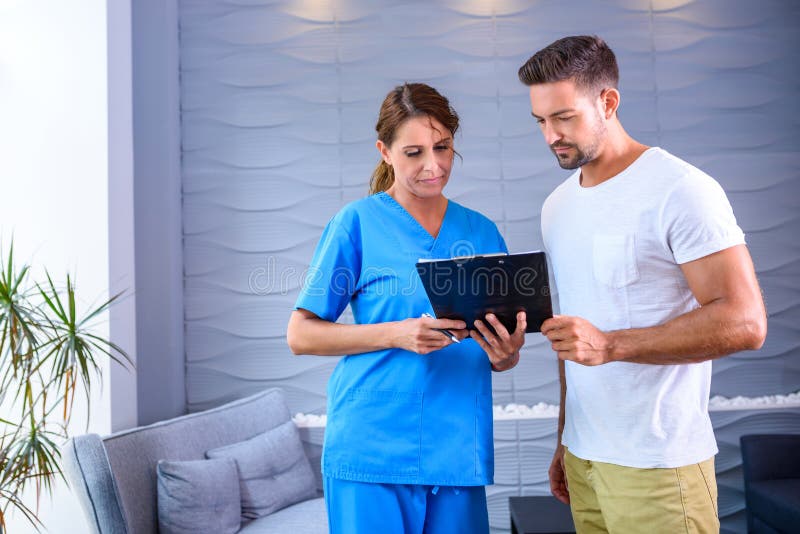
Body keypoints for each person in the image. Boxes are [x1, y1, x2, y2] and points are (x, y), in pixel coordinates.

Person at [517, 36, 767, 533]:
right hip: (585, 458)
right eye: (540, 121)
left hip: (659, 464)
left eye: (564, 117)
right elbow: (573, 337)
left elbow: (745, 320)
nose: (550, 135)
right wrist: (566, 439)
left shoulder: (680, 190)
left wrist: (611, 345)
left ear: (608, 102)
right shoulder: (557, 207)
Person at [286, 82, 527, 534]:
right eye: (414, 152)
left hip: (456, 449)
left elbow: (501, 352)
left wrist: (505, 353)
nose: (433, 165)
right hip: (372, 448)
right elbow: (300, 335)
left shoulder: (482, 233)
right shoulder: (355, 224)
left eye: (443, 148)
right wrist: (395, 333)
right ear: (385, 151)